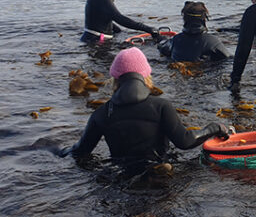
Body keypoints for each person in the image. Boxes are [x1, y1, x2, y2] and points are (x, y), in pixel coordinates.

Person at [59, 47, 229, 174]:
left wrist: (56, 148)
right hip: (159, 173)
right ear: (145, 77)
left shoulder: (101, 114)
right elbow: (185, 142)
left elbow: (80, 152)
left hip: (121, 178)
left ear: (116, 80)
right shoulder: (161, 106)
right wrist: (215, 128)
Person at [157, 1, 229, 62]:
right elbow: (229, 59)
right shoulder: (212, 41)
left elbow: (162, 47)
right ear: (204, 19)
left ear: (185, 19)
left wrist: (160, 38)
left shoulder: (175, 40)